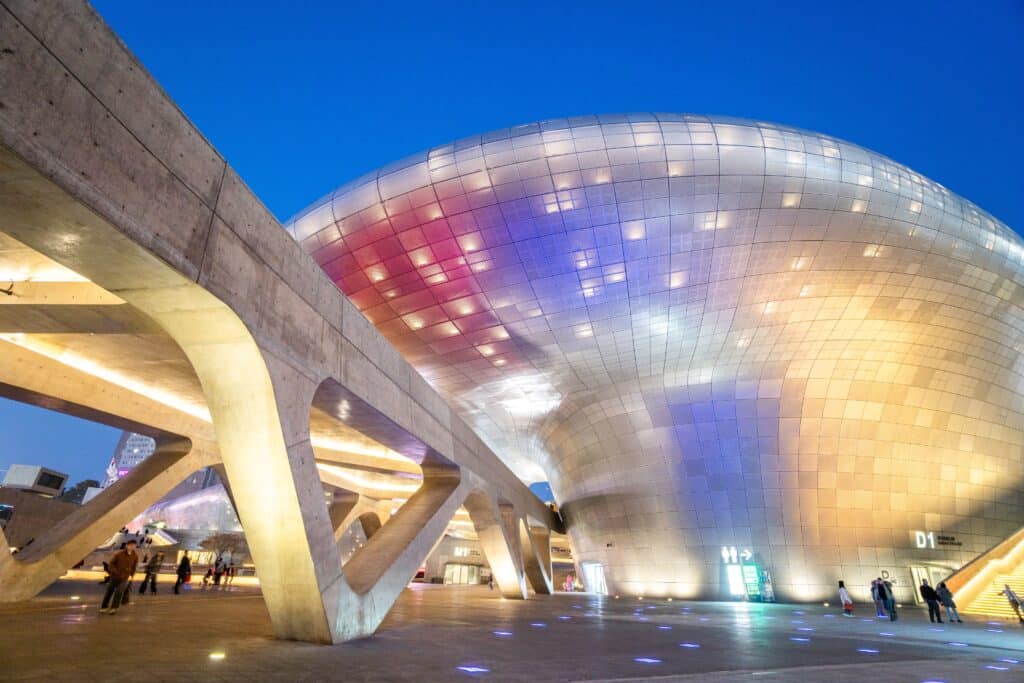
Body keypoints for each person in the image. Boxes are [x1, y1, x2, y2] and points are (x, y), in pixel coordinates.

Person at [100, 539, 139, 615]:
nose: (132, 547)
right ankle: (104, 607)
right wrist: (115, 571)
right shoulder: (119, 554)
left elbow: (134, 566)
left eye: (134, 545)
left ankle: (114, 608)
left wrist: (132, 575)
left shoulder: (135, 556)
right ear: (127, 545)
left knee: (119, 592)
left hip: (125, 578)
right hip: (115, 577)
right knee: (109, 592)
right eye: (130, 545)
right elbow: (111, 563)